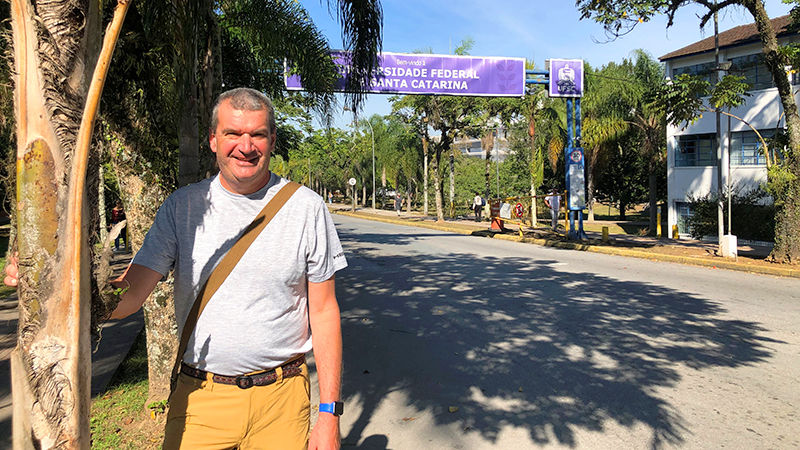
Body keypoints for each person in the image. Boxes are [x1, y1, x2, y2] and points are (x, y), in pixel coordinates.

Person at [8, 88, 347, 449]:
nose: (246, 147)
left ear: (272, 140)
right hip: (201, 396)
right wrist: (51, 283)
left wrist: (329, 412)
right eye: (233, 134)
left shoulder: (306, 209)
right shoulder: (183, 208)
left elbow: (324, 311)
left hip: (282, 399)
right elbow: (133, 293)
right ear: (214, 140)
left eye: (257, 134)